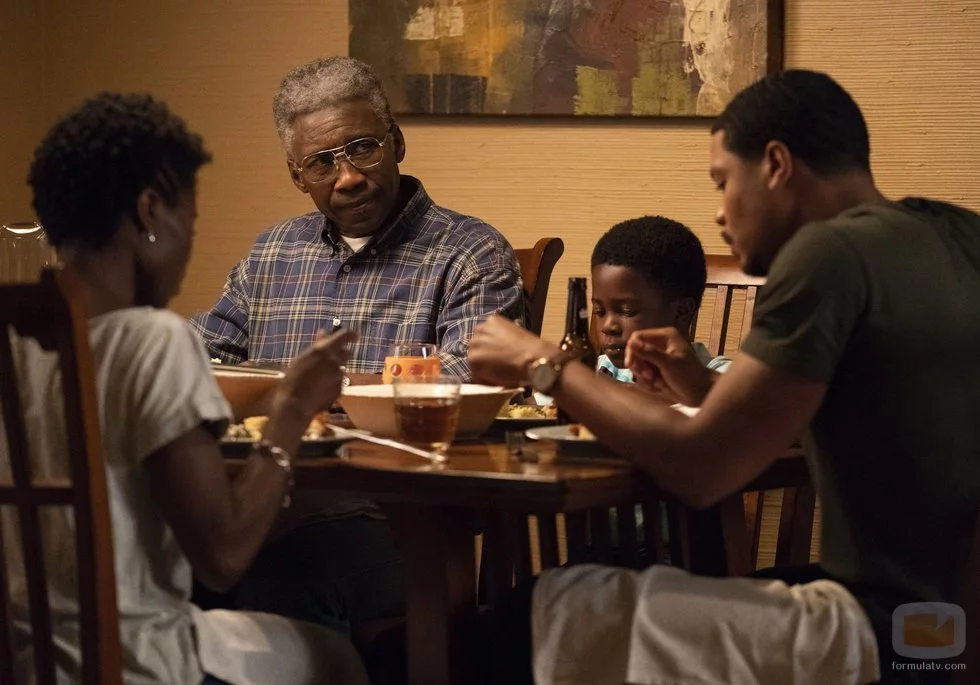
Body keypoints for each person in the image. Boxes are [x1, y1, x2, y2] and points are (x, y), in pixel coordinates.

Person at [469, 69, 980, 684]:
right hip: (948, 626)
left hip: (894, 633)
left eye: (723, 182)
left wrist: (541, 364)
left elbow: (701, 470)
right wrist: (699, 384)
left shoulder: (827, 253)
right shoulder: (957, 234)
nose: (719, 212)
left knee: (530, 615)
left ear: (776, 165)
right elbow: (806, 416)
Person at [2, 93, 369, 685]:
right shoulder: (151, 339)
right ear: (150, 212)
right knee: (338, 659)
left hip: (29, 661)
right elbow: (223, 557)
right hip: (140, 662)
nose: (189, 247)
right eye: (190, 223)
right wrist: (293, 408)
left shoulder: (15, 345)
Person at [192, 56, 523, 378]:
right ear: (298, 177)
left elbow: (470, 374)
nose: (349, 178)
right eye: (322, 162)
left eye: (362, 148)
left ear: (397, 143)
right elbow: (199, 361)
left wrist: (314, 386)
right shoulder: (272, 253)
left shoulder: (473, 252)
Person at [591, 215, 730, 387]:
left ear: (681, 311)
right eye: (599, 311)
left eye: (627, 311)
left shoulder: (724, 380)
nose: (607, 326)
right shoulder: (599, 369)